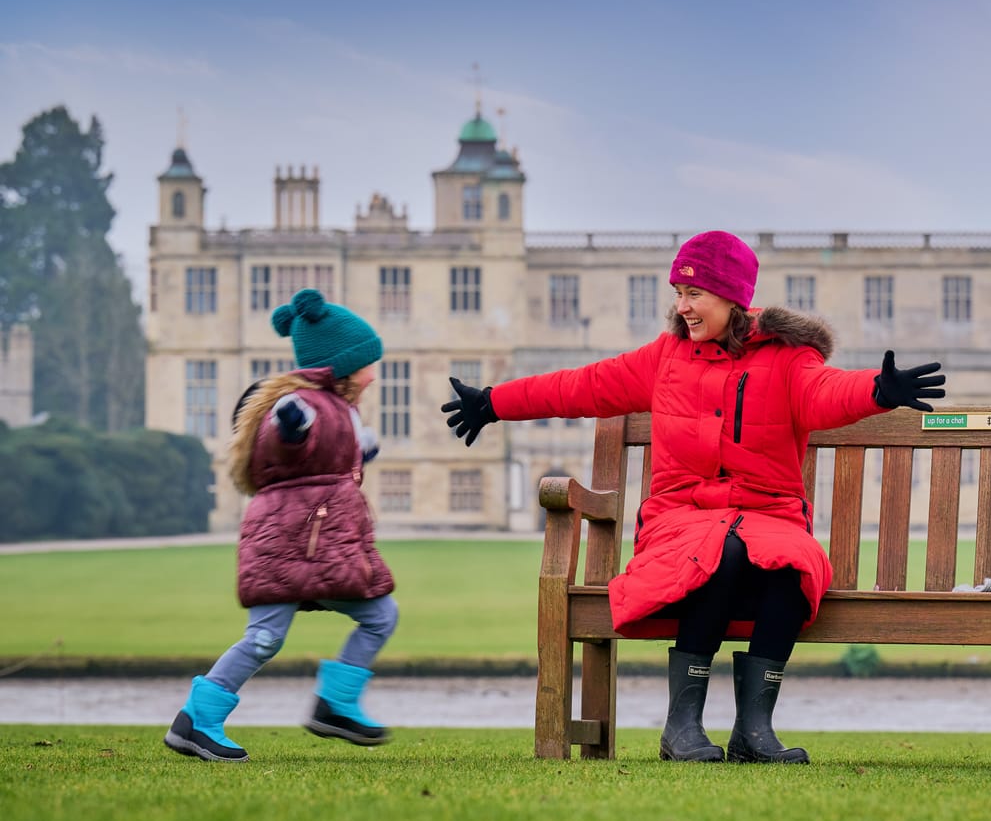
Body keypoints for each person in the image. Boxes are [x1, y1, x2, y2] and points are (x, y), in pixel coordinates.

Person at [442, 231, 943, 764]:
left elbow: (826, 393)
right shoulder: (664, 358)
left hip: (768, 516)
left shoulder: (787, 358)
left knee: (793, 564)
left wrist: (877, 391)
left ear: (732, 298)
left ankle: (754, 733)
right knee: (717, 551)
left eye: (694, 294)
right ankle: (681, 727)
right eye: (678, 294)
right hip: (680, 520)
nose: (682, 307)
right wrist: (494, 403)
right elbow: (581, 386)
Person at [164, 289, 397, 762]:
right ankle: (197, 720)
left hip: (324, 545)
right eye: (366, 365)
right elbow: (285, 444)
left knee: (381, 616)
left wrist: (359, 452)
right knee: (265, 639)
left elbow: (325, 463)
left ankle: (336, 705)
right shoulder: (300, 405)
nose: (373, 375)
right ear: (341, 367)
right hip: (285, 543)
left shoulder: (340, 409)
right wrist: (291, 428)